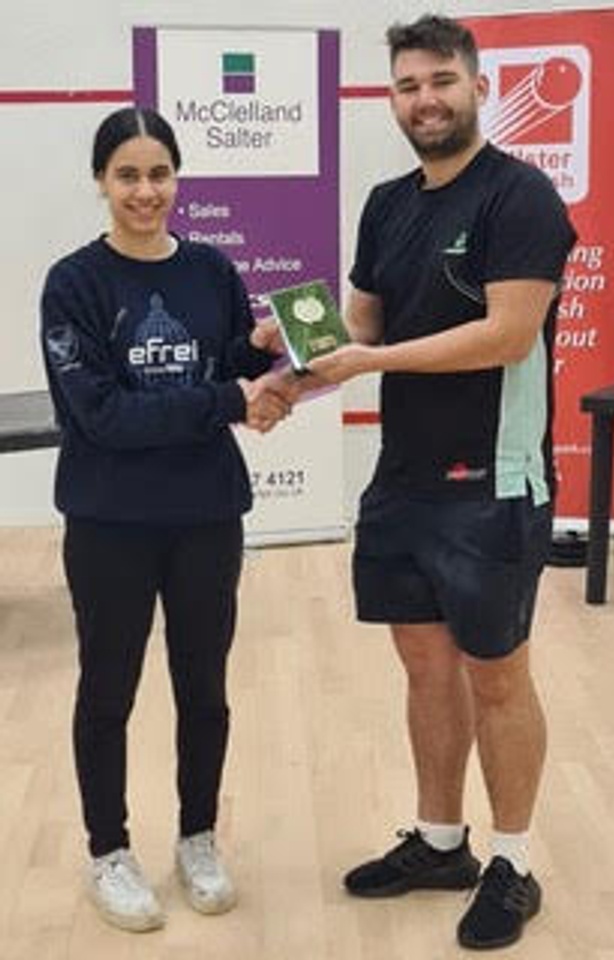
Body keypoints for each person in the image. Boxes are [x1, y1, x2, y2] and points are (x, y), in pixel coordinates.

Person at [294, 13, 576, 952]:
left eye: (442, 81)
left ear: (478, 86)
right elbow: (359, 324)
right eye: (409, 85)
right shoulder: (387, 203)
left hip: (493, 482)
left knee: (499, 675)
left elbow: (507, 335)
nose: (425, 100)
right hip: (404, 479)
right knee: (424, 666)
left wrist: (366, 364)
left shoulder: (521, 197)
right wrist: (288, 357)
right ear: (394, 98)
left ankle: (515, 863)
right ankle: (443, 843)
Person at [40, 107, 297, 932]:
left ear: (177, 177)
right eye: (128, 175)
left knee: (205, 688)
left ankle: (198, 838)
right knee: (107, 689)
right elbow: (101, 415)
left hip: (205, 515)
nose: (146, 192)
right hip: (109, 522)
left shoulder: (212, 269)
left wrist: (265, 350)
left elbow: (227, 363)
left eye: (159, 174)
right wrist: (229, 399)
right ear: (101, 182)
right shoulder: (73, 283)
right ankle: (108, 851)